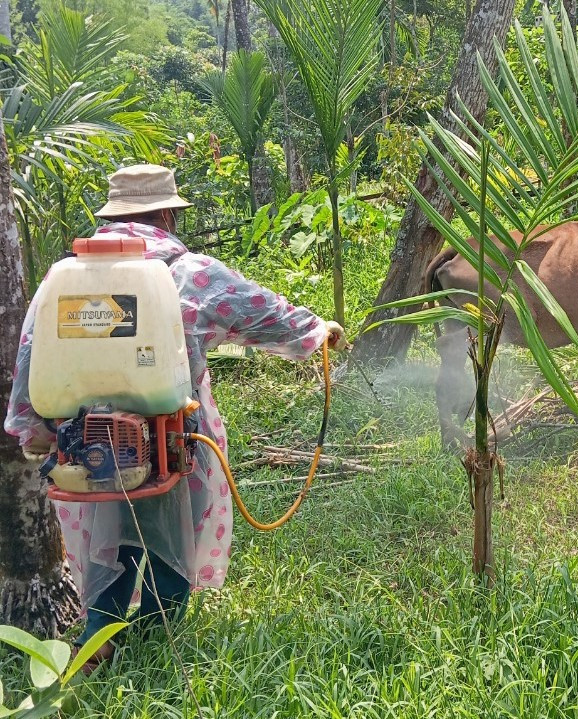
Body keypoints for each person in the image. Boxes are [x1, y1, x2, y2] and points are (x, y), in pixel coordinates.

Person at [4, 164, 346, 670]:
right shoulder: (187, 273)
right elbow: (257, 311)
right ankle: (160, 641)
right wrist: (316, 330)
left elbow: (31, 355)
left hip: (82, 443)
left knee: (109, 530)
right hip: (172, 434)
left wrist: (33, 428)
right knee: (173, 526)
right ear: (165, 213)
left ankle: (102, 637)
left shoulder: (65, 277)